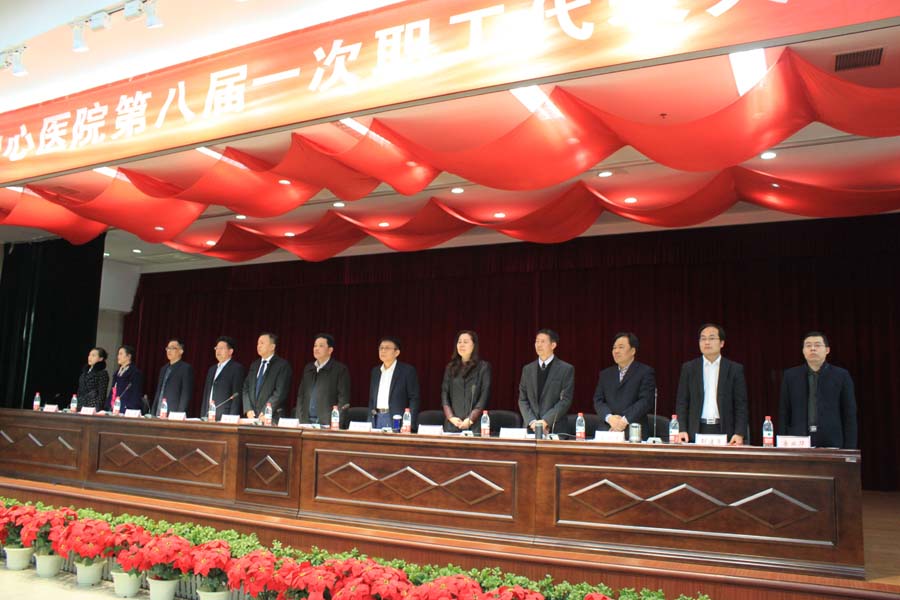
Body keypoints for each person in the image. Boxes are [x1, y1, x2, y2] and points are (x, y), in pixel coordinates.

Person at [778, 331, 857, 449]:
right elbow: (784, 412)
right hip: (798, 441)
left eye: (817, 345)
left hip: (832, 442)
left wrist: (850, 449)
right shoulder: (791, 376)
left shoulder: (841, 376)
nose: (813, 349)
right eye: (808, 345)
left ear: (827, 350)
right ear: (803, 351)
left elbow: (849, 414)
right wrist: (781, 444)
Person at [674, 324, 748, 444]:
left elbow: (741, 405)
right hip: (696, 429)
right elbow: (682, 402)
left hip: (725, 430)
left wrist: (739, 433)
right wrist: (681, 429)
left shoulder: (734, 369)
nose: (707, 342)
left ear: (722, 343)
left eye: (712, 338)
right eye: (703, 338)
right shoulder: (689, 368)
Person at [593, 332, 655, 432]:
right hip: (608, 428)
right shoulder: (605, 374)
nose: (616, 351)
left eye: (621, 347)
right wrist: (610, 418)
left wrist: (624, 421)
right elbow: (598, 400)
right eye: (614, 348)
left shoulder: (645, 372)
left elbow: (645, 401)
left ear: (633, 351)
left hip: (634, 429)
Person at [518, 329, 574, 434]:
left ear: (553, 345)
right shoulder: (527, 369)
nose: (539, 345)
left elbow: (565, 400)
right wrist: (532, 422)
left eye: (543, 341)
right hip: (530, 428)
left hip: (555, 428)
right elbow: (522, 399)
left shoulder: (566, 369)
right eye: (537, 341)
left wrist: (545, 421)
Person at [441, 330, 491, 433]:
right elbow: (444, 394)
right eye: (459, 342)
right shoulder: (450, 367)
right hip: (453, 424)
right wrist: (451, 417)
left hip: (474, 425)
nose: (461, 345)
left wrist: (470, 419)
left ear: (474, 345)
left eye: (465, 342)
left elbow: (484, 396)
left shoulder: (483, 367)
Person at [295, 334, 350, 426]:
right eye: (315, 346)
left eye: (321, 346)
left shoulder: (340, 370)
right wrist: (299, 419)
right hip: (305, 422)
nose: (316, 349)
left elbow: (343, 400)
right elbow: (301, 396)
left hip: (327, 424)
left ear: (330, 350)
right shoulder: (308, 368)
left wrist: (335, 423)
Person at [368, 336, 420, 430]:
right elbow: (372, 399)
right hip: (376, 418)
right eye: (381, 348)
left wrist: (409, 423)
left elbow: (414, 399)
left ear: (397, 352)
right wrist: (369, 422)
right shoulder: (375, 371)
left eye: (387, 348)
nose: (383, 351)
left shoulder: (407, 371)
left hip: (397, 418)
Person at [243, 332, 292, 421]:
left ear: (272, 347)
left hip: (272, 417)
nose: (259, 346)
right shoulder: (254, 365)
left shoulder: (282, 365)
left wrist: (266, 411)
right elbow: (246, 388)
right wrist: (248, 409)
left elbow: (280, 393)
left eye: (262, 343)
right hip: (252, 417)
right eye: (258, 343)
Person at [202, 336, 245, 421]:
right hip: (209, 415)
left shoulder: (237, 368)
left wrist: (232, 418)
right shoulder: (212, 369)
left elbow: (236, 396)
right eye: (216, 348)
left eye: (221, 348)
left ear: (230, 351)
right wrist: (203, 414)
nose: (218, 351)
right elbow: (206, 394)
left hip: (225, 416)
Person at [151, 338, 194, 416]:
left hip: (173, 413)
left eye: (173, 348)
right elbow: (159, 392)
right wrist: (153, 411)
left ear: (181, 351)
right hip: (158, 412)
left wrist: (179, 414)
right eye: (168, 348)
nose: (169, 351)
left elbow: (185, 395)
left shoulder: (186, 368)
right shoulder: (163, 369)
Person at [105, 345, 143, 413]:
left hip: (126, 409)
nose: (118, 356)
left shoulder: (135, 373)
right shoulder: (117, 373)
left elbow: (136, 393)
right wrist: (108, 406)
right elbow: (112, 391)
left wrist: (130, 409)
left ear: (129, 356)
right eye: (118, 354)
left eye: (121, 354)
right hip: (114, 408)